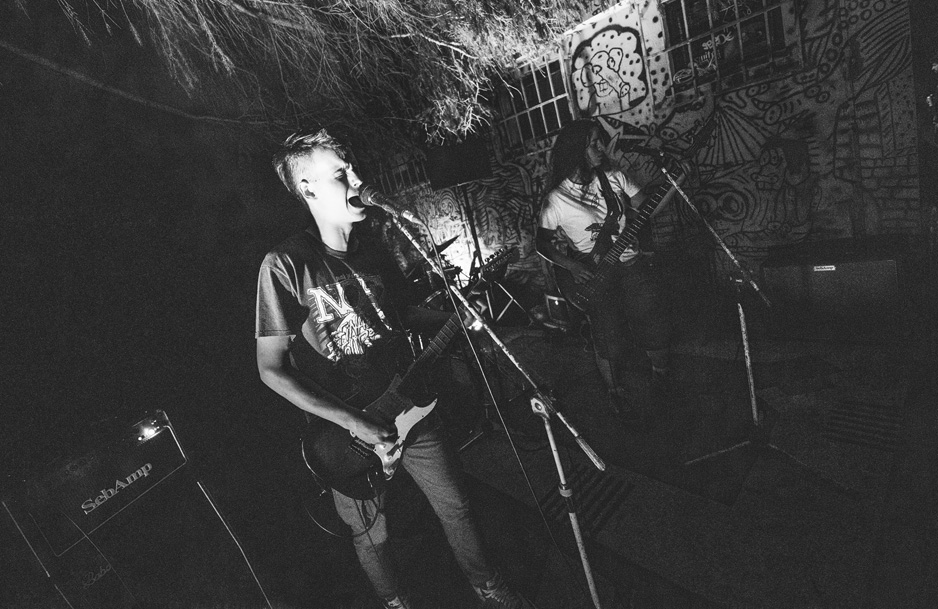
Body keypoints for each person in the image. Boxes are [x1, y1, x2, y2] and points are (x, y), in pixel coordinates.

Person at [255, 129, 523, 609]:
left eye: (354, 168)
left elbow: (402, 315)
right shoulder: (285, 264)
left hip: (413, 404)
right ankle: (394, 601)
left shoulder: (374, 248)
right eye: (342, 174)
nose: (358, 180)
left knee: (457, 506)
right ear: (307, 187)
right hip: (348, 433)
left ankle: (488, 586)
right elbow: (270, 368)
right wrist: (354, 422)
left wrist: (456, 316)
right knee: (371, 535)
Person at [536, 119, 673, 423]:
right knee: (608, 334)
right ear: (576, 150)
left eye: (600, 141)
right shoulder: (557, 199)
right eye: (593, 143)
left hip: (630, 263)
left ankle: (661, 376)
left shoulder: (613, 177)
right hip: (594, 272)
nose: (601, 148)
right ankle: (615, 391)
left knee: (653, 320)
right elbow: (541, 244)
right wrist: (572, 266)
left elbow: (648, 207)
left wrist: (675, 184)